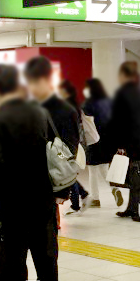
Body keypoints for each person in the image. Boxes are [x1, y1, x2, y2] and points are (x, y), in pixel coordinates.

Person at [0, 64, 59, 281]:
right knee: (45, 252)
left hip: (12, 200)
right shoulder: (40, 112)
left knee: (15, 255)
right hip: (42, 194)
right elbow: (55, 149)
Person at [25, 57, 83, 217]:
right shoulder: (28, 107)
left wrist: (62, 191)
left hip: (49, 183)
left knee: (45, 233)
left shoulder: (63, 110)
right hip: (27, 181)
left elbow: (69, 149)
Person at [108, 61, 140, 222]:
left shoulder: (124, 95)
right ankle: (131, 209)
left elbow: (121, 123)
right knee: (135, 177)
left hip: (134, 144)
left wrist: (120, 145)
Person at [82, 78, 123, 210]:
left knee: (93, 171)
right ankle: (114, 188)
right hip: (108, 141)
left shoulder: (88, 104)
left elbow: (86, 123)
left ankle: (95, 198)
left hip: (94, 140)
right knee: (104, 168)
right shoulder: (109, 102)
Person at [58, 78, 90, 211]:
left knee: (67, 174)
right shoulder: (74, 106)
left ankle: (77, 201)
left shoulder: (65, 107)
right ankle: (81, 197)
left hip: (65, 145)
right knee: (69, 173)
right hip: (73, 144)